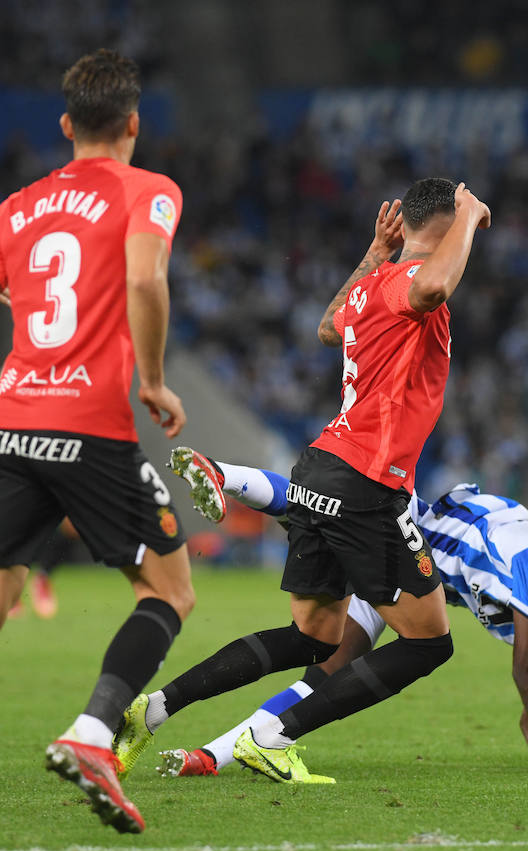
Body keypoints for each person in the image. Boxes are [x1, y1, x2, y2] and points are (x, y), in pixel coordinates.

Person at [0, 49, 195, 842]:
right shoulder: (150, 191)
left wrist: (5, 407)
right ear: (133, 124)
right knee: (168, 591)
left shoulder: (20, 206)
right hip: (91, 424)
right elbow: (146, 281)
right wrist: (154, 380)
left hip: (17, 424)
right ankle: (92, 735)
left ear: (65, 126)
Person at [111, 180, 490, 784]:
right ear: (444, 228)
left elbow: (326, 327)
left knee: (315, 637)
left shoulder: (373, 283)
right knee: (428, 643)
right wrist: (469, 214)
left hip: (320, 470)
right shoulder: (415, 286)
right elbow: (437, 282)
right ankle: (277, 738)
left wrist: (373, 250)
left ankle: (152, 709)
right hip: (368, 484)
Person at [141, 450, 528, 779]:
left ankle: (210, 756)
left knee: (327, 667)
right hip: (412, 545)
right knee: (326, 508)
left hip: (413, 589)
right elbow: (525, 668)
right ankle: (224, 473)